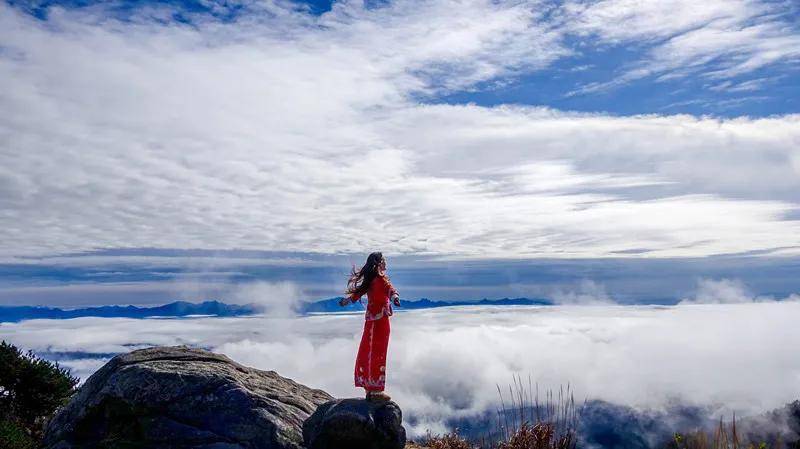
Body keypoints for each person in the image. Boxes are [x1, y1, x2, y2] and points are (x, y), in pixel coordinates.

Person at [339, 252, 401, 401]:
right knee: (377, 352)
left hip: (372, 321)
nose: (386, 264)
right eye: (384, 261)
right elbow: (390, 290)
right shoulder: (379, 280)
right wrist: (395, 298)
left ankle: (369, 387)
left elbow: (360, 293)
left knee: (369, 350)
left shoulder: (373, 280)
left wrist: (347, 301)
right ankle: (375, 390)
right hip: (380, 322)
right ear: (379, 263)